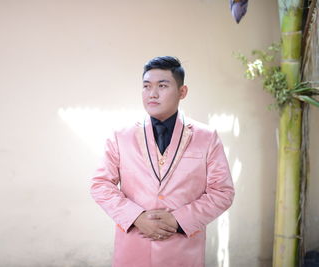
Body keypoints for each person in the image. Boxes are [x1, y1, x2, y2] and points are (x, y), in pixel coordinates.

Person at [90, 56, 234, 267]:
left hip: (182, 251)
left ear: (182, 92)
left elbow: (222, 192)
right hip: (134, 247)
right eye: (146, 86)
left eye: (162, 86)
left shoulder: (206, 137)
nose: (152, 94)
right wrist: (137, 218)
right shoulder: (121, 136)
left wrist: (178, 220)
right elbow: (100, 185)